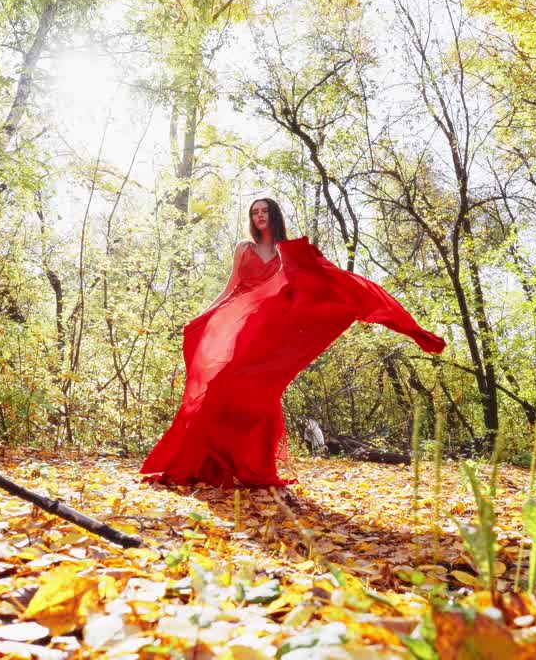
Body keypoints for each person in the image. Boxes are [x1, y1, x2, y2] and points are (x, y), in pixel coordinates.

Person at [140, 198, 445, 488]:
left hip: (267, 328)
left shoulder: (288, 252)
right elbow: (231, 287)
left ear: (274, 216)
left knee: (261, 391)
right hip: (238, 322)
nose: (259, 216)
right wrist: (204, 315)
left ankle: (253, 466)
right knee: (221, 384)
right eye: (254, 212)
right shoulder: (243, 248)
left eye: (264, 211)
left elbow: (316, 282)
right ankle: (208, 462)